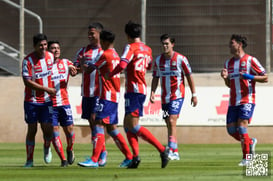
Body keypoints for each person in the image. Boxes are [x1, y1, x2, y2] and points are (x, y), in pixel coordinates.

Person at [107, 21, 169, 169]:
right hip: (139, 89)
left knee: (133, 125)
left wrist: (111, 74)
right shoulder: (147, 49)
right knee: (128, 124)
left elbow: (122, 65)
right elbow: (148, 65)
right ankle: (135, 157)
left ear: (127, 35)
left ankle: (162, 150)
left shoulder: (130, 47)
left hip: (134, 91)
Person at [77, 30, 133, 168]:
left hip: (106, 96)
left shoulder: (105, 55)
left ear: (106, 42)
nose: (100, 43)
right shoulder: (115, 54)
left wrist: (82, 63)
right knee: (112, 128)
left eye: (102, 41)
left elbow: (89, 70)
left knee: (98, 123)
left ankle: (95, 159)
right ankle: (129, 156)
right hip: (115, 95)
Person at [220, 34, 268, 166]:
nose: (230, 46)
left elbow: (265, 78)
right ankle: (250, 142)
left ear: (239, 45)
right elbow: (230, 84)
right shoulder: (228, 63)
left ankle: (247, 158)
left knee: (242, 127)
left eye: (232, 43)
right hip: (233, 102)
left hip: (247, 100)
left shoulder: (251, 60)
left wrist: (249, 76)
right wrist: (225, 78)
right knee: (231, 130)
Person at [150, 34, 198, 161]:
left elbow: (189, 76)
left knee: (172, 120)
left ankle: (172, 150)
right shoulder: (158, 60)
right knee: (168, 123)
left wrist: (194, 94)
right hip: (164, 97)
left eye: (167, 44)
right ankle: (174, 149)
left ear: (172, 44)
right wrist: (152, 92)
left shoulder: (181, 59)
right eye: (163, 44)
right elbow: (155, 77)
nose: (165, 46)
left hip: (177, 96)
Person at [74, 22, 107, 166]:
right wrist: (75, 69)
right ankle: (101, 152)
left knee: (96, 120)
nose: (89, 36)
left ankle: (98, 156)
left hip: (99, 93)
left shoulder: (104, 51)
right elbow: (77, 68)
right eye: (89, 33)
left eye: (92, 33)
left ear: (99, 34)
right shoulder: (83, 51)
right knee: (92, 124)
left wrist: (85, 67)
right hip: (86, 92)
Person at [22, 33, 56, 167]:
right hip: (31, 100)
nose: (43, 48)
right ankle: (29, 160)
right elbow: (27, 81)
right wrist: (46, 89)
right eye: (40, 45)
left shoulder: (50, 56)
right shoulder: (28, 61)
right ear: (34, 46)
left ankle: (47, 147)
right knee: (32, 130)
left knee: (48, 130)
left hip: (47, 101)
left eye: (45, 45)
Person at [48, 40, 77, 167]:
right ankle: (63, 160)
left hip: (64, 103)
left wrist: (74, 71)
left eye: (58, 48)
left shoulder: (66, 63)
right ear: (48, 51)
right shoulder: (44, 66)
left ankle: (70, 149)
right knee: (54, 131)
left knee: (69, 130)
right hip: (50, 104)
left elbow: (75, 70)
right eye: (53, 48)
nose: (56, 50)